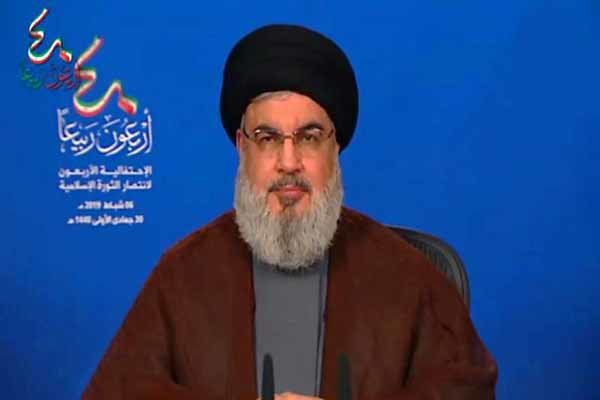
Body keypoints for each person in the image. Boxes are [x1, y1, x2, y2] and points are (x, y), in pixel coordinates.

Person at [82, 24, 497, 400]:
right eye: (267, 138)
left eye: (309, 137)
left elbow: (466, 391)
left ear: (336, 147)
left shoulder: (405, 273)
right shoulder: (184, 274)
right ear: (241, 147)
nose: (288, 161)